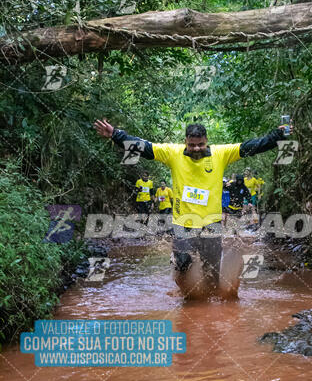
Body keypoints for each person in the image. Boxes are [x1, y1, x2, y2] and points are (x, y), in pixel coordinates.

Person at [94, 118, 292, 292]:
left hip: (211, 224)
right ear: (185, 142)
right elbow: (144, 147)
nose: (196, 148)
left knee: (211, 271)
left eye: (200, 144)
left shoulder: (221, 154)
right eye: (192, 145)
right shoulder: (172, 153)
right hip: (183, 223)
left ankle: (211, 306)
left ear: (207, 141)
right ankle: (185, 293)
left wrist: (277, 135)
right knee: (183, 263)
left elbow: (253, 146)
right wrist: (115, 134)